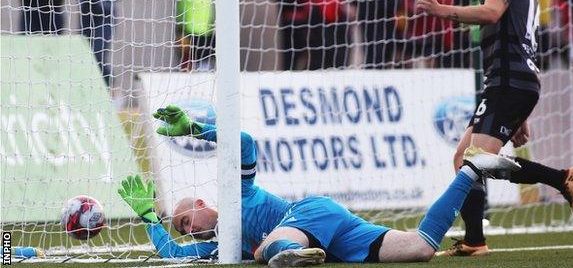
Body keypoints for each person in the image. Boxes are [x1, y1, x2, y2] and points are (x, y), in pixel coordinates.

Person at [118, 104, 522, 266]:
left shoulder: (235, 194)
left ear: (202, 202)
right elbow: (172, 254)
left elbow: (244, 142)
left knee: (265, 252)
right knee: (420, 249)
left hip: (310, 213)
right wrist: (150, 216)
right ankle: (472, 171)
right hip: (333, 236)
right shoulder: (221, 245)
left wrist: (195, 129)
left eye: (186, 221)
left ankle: (287, 255)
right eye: (185, 230)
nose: (189, 230)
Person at [415, 0, 573, 256]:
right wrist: (519, 112)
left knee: (476, 160)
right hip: (509, 82)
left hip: (510, 82)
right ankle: (475, 240)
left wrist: (439, 10)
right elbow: (517, 35)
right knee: (465, 157)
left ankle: (562, 179)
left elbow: (492, 14)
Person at [176, 0, 216, 71]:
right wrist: (180, 29)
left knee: (206, 62)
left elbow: (210, 7)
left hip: (207, 31)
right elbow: (181, 7)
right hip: (190, 31)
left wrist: (212, 23)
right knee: (189, 62)